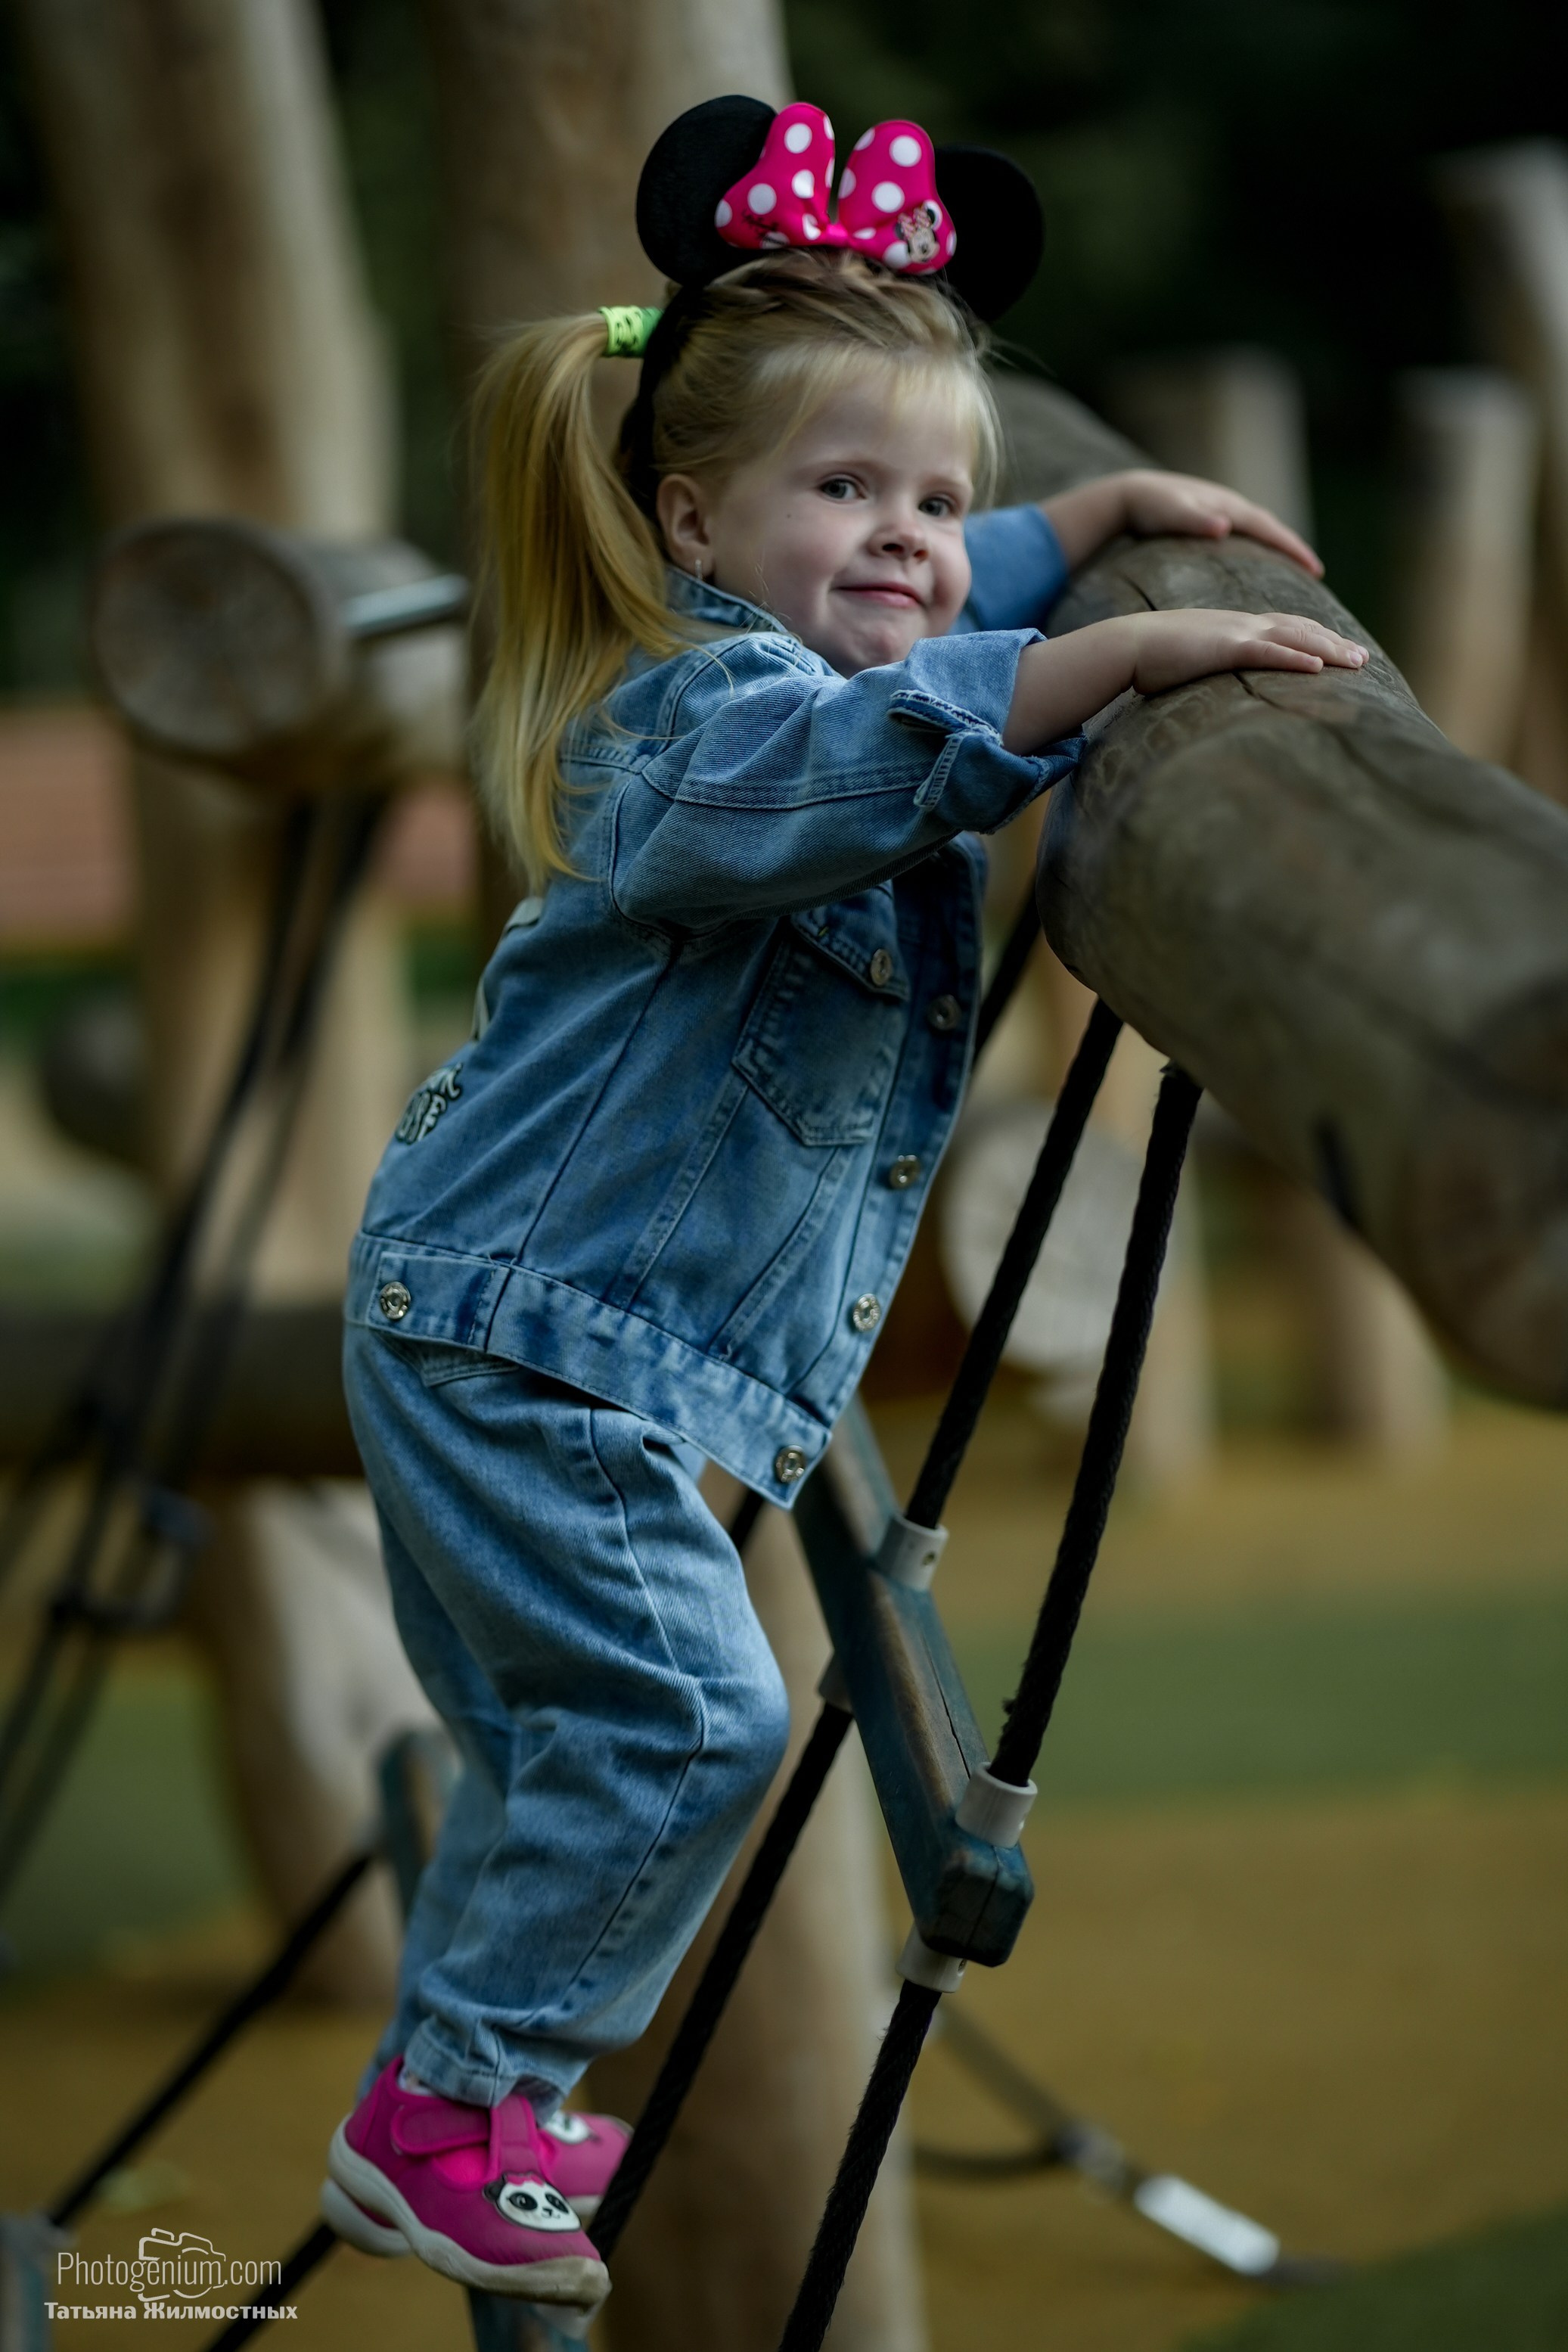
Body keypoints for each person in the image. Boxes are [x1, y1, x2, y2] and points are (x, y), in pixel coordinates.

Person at [321, 97, 1365, 2311]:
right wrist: (1111, 661)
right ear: (690, 514)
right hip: (528, 1357)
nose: (907, 539)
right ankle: (445, 2109)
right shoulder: (688, 724)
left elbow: (898, 598)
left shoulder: (830, 603)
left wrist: (1084, 522)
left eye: (940, 495)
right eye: (844, 490)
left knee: (551, 1760)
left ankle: (468, 2100)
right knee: (687, 1728)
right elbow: (862, 746)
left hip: (531, 1337)